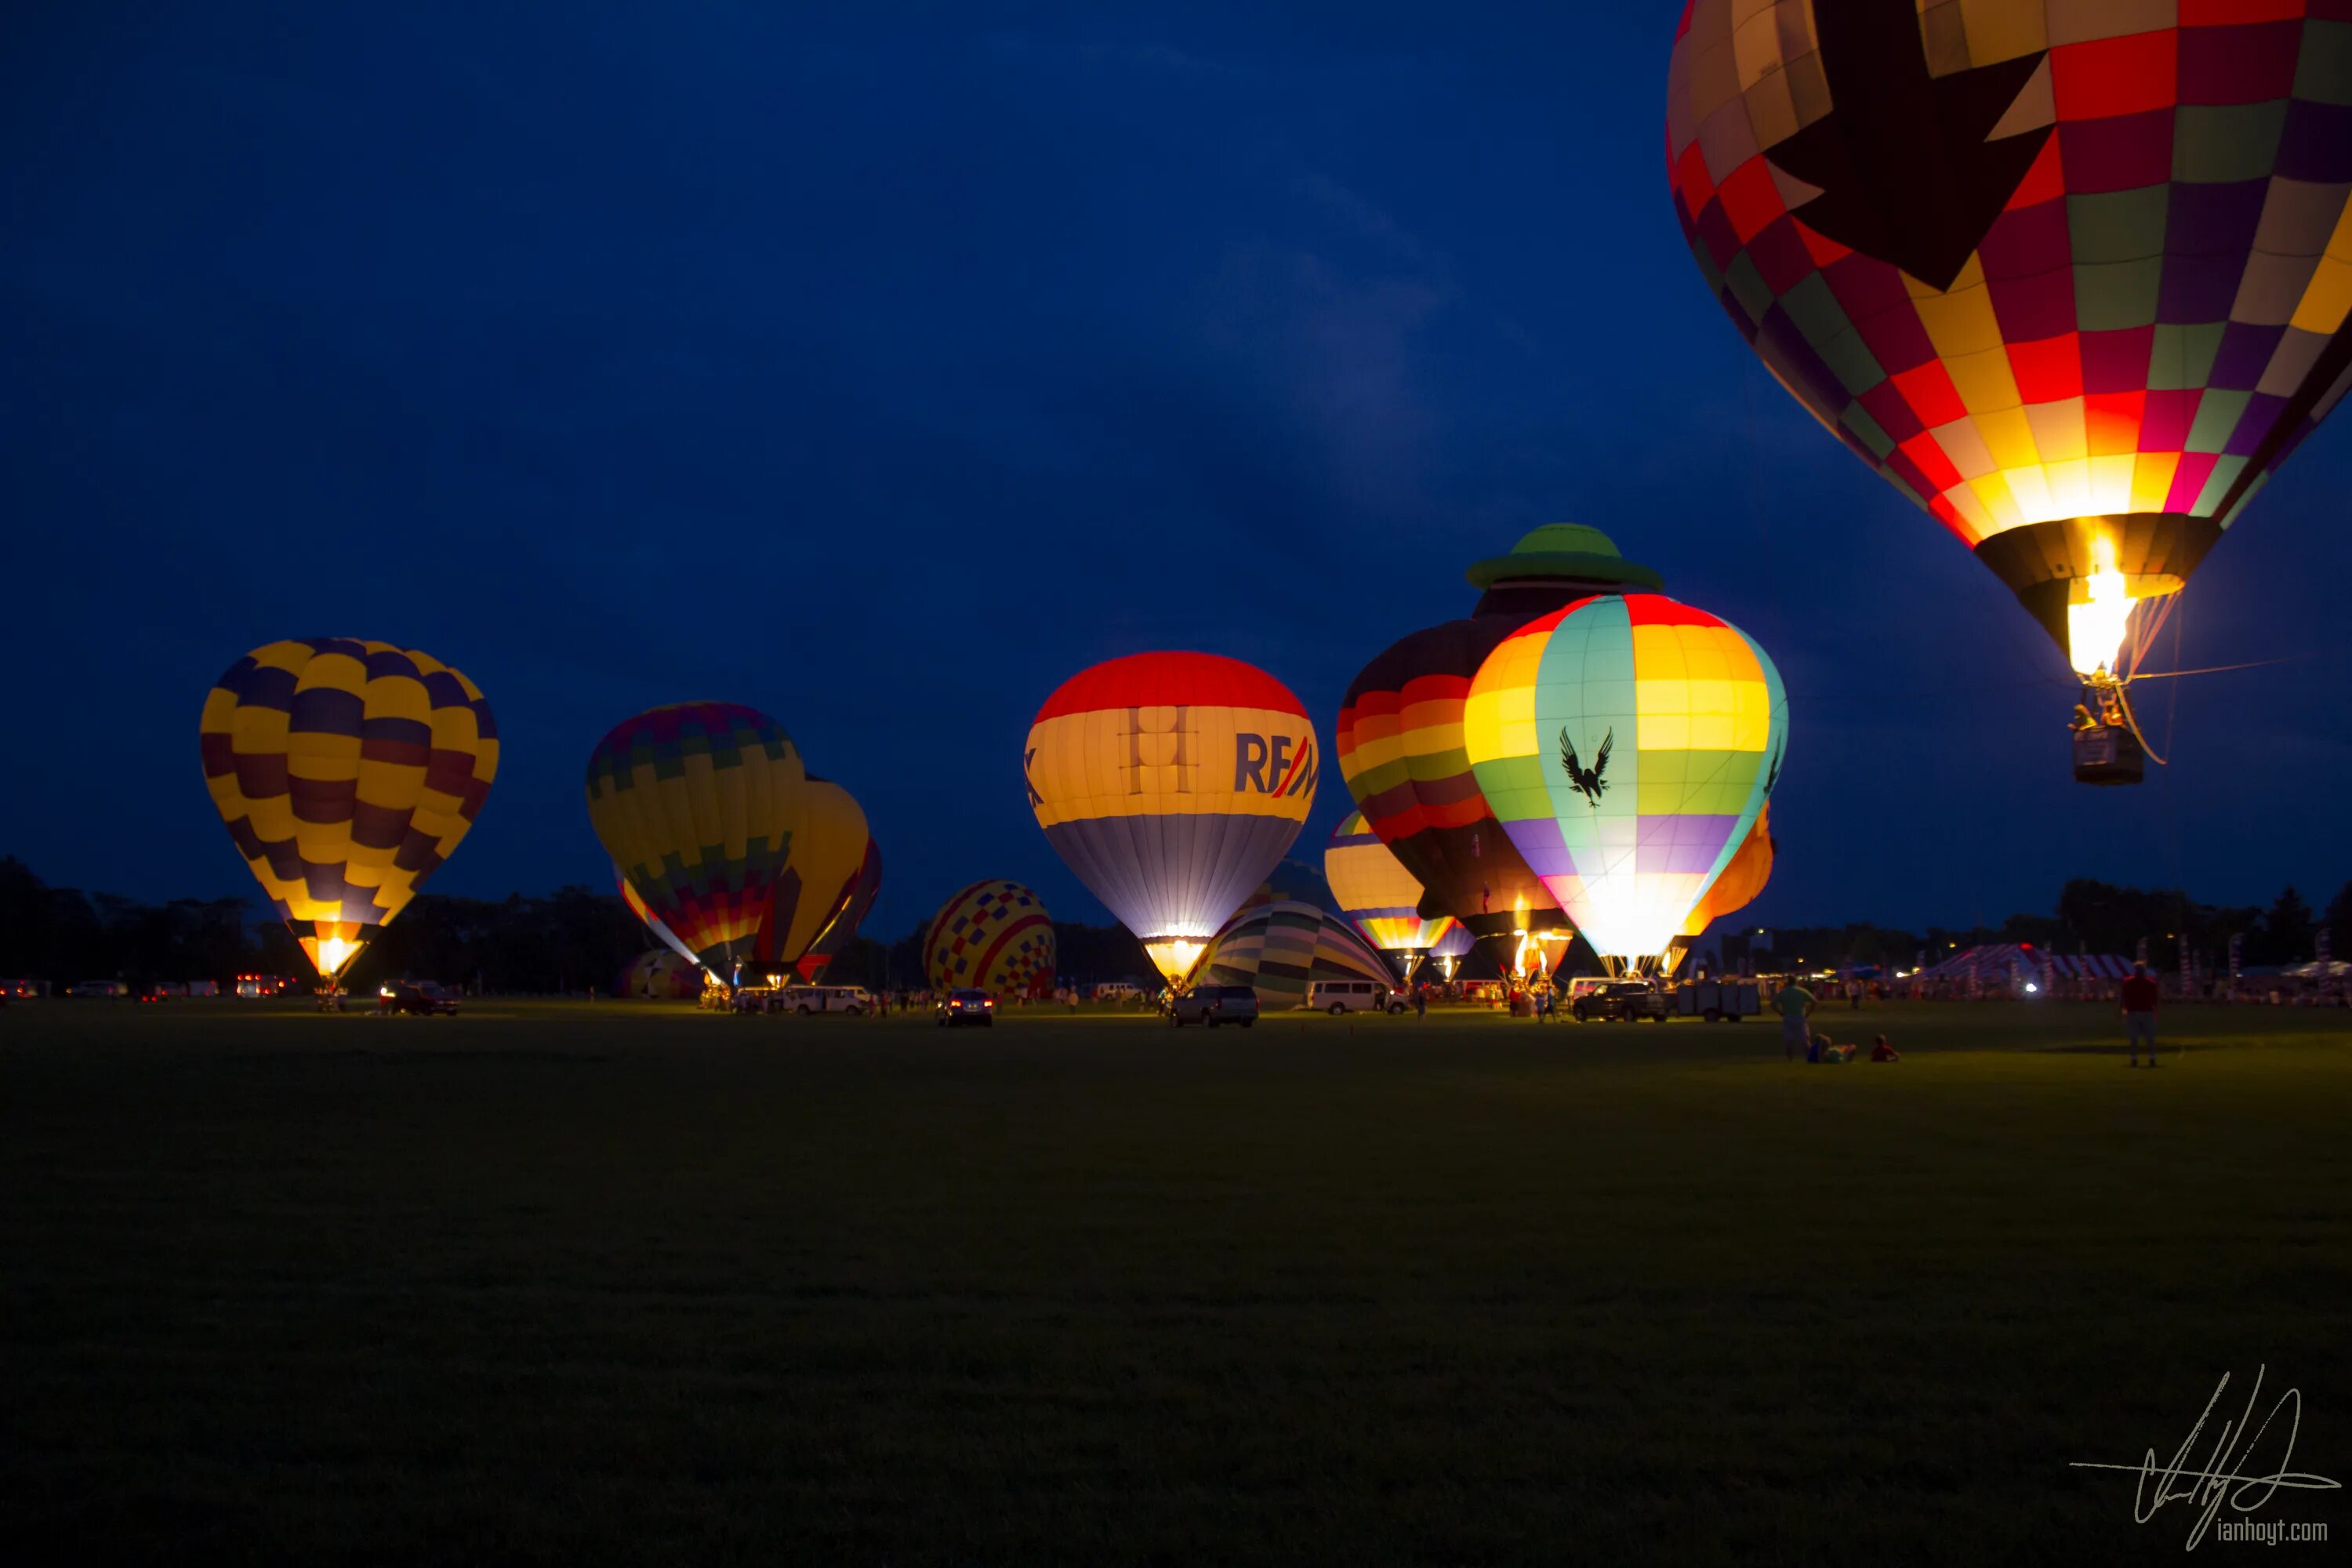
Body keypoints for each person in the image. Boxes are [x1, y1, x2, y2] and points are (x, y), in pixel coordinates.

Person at [2120, 961, 2161, 1067]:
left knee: (2134, 1038)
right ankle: (2151, 1059)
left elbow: (2124, 1000)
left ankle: (2135, 1059)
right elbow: (2155, 1001)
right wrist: (2156, 1014)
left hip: (2134, 1012)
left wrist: (2124, 1012)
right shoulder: (2150, 983)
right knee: (2149, 1038)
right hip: (2146, 1012)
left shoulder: (2128, 982)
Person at [1773, 975, 1815, 1061]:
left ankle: (1790, 1059)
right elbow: (1814, 1001)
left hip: (1788, 1017)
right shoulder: (1801, 991)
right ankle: (1809, 1058)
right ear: (1796, 982)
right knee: (1805, 1040)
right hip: (1800, 1017)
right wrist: (1808, 1013)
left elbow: (1773, 1003)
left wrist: (1780, 1013)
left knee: (1789, 1040)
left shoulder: (1783, 992)